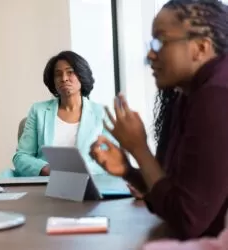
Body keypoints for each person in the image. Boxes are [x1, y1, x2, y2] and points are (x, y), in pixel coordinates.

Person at [90, 0, 228, 240]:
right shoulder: (184, 94)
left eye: (161, 41)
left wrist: (139, 148)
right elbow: (171, 198)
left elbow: (188, 221)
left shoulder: (217, 94)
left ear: (201, 47)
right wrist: (128, 171)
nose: (150, 54)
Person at [13, 50, 115, 177]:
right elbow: (21, 156)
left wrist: (80, 170)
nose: (64, 78)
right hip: (45, 183)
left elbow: (112, 159)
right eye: (58, 74)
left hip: (88, 181)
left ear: (81, 76)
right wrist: (45, 169)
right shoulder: (38, 111)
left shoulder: (101, 114)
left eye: (70, 72)